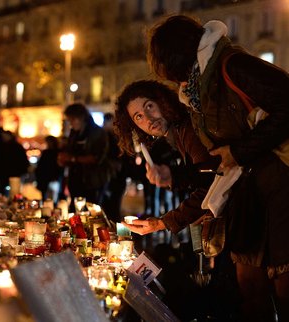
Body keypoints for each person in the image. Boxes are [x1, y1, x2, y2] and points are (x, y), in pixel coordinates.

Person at [147, 15, 289, 320]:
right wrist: (175, 178)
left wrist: (239, 151)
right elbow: (215, 159)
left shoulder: (233, 66)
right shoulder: (198, 90)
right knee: (251, 293)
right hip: (250, 197)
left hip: (281, 191)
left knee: (285, 290)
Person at [115, 80, 219, 235]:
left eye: (149, 106)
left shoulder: (187, 128)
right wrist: (173, 178)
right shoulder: (175, 134)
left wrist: (162, 223)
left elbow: (212, 183)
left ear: (162, 101)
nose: (149, 119)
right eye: (139, 117)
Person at [57, 103, 110, 205]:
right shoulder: (74, 133)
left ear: (80, 117)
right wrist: (64, 160)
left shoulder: (97, 132)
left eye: (72, 120)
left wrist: (72, 158)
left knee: (90, 213)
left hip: (92, 183)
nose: (70, 124)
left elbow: (97, 158)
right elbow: (70, 152)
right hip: (75, 182)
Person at [35, 135, 63, 201]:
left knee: (52, 197)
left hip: (51, 178)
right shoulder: (47, 152)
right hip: (45, 178)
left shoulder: (55, 153)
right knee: (47, 197)